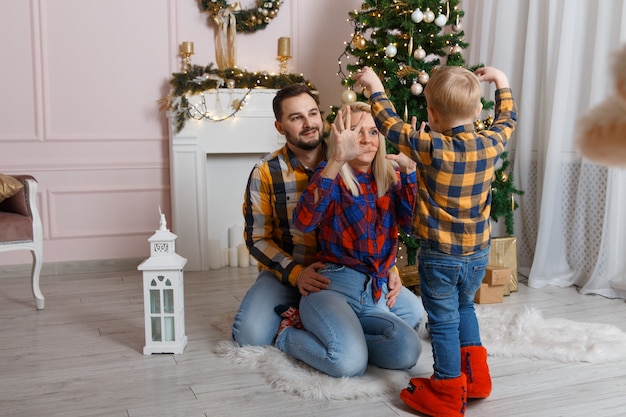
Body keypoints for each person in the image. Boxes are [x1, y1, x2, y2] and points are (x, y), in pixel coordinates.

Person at [354, 65, 517, 417]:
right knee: (464, 308)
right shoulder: (491, 142)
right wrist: (501, 82)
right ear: (477, 112)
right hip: (477, 254)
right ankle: (475, 378)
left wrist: (376, 86)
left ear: (431, 114)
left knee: (442, 321)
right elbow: (508, 118)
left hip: (440, 256)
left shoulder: (431, 145)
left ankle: (446, 389)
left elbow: (390, 125)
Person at [232, 84, 424, 362]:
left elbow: (383, 226)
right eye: (296, 117)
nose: (309, 123)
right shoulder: (269, 172)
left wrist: (387, 267)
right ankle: (315, 326)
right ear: (280, 126)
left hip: (353, 273)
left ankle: (338, 331)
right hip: (292, 271)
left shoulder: (356, 159)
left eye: (312, 113)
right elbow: (258, 239)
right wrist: (297, 274)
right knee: (250, 335)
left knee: (413, 315)